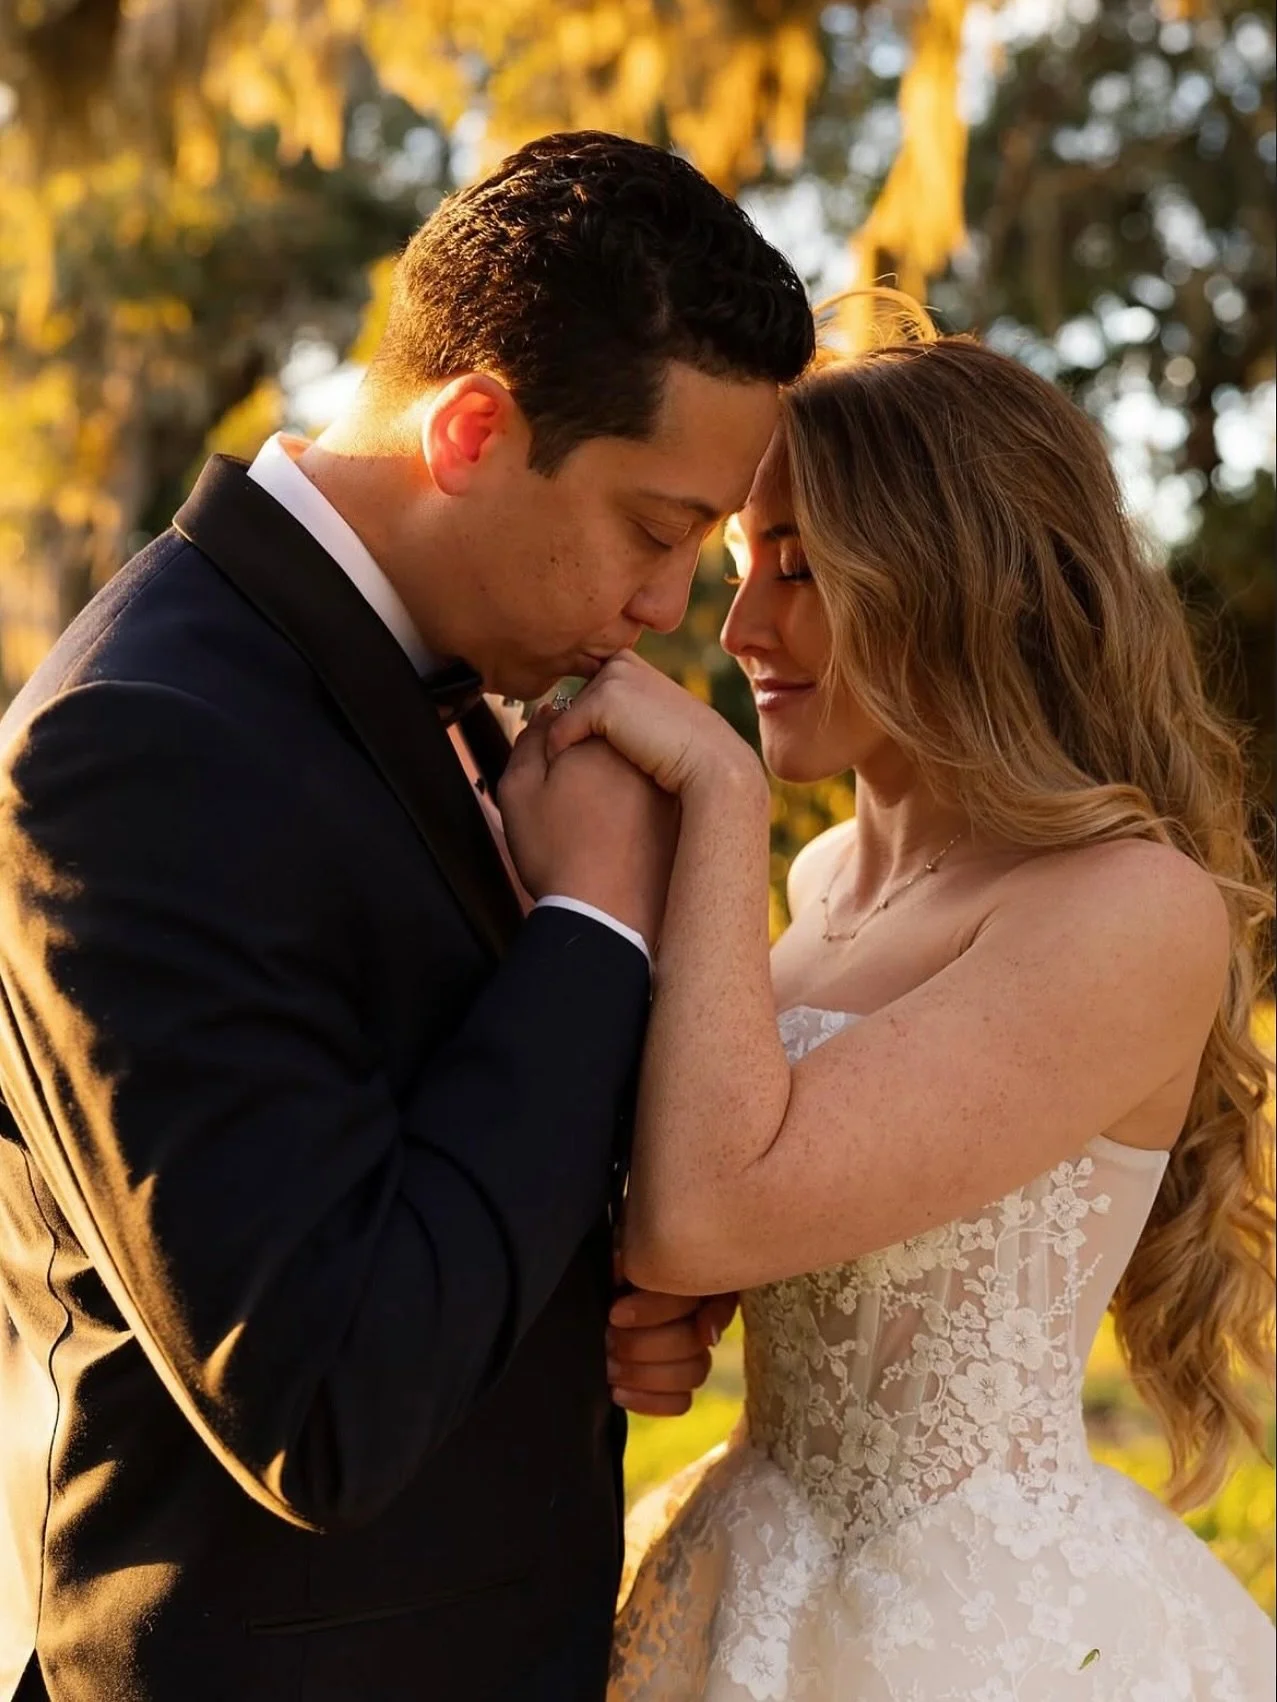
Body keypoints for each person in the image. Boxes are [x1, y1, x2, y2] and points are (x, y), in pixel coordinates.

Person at [0, 132, 814, 1702]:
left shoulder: (478, 689)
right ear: (474, 430)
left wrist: (620, 1279)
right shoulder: (140, 743)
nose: (672, 609)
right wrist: (592, 927)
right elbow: (323, 1397)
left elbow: (436, 1153)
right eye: (658, 530)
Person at [515, 321, 1277, 1700]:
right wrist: (664, 1301)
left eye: (800, 569)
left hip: (980, 1627)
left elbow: (707, 1202)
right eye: (746, 567)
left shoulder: (1128, 903)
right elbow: (726, 1210)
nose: (742, 629)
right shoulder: (824, 887)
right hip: (740, 1555)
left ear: (960, 572)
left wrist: (721, 799)